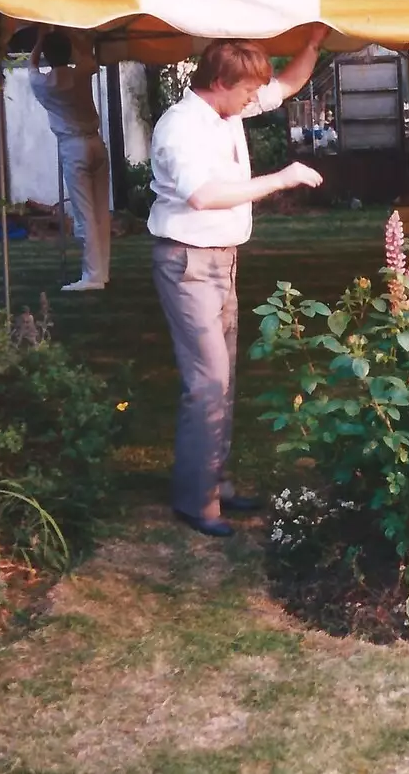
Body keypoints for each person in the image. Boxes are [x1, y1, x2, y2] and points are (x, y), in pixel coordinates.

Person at [149, 30, 327, 536]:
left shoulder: (225, 110)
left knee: (223, 378)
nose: (255, 101)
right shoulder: (181, 127)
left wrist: (315, 37)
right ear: (222, 82)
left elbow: (286, 84)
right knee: (207, 381)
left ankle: (215, 483)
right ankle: (196, 501)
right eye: (248, 92)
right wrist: (281, 177)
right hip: (187, 262)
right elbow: (203, 196)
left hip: (220, 261)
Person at [16, 24, 110, 292]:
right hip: (95, 142)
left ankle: (93, 276)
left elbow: (31, 65)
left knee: (86, 214)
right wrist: (70, 35)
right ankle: (101, 272)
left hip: (73, 147)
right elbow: (87, 56)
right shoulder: (80, 73)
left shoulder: (43, 83)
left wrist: (40, 40)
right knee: (100, 211)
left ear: (47, 54)